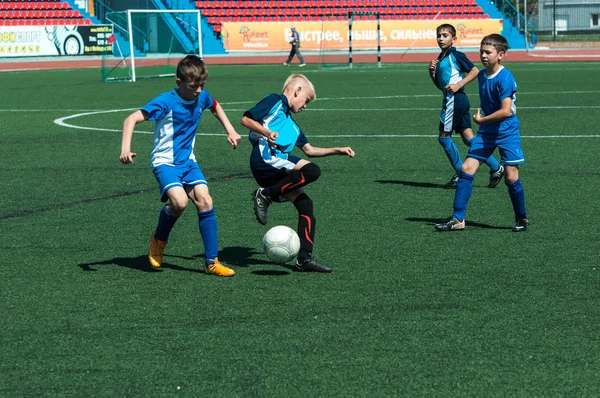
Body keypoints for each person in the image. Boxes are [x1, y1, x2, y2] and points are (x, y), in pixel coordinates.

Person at [120, 55, 242, 276]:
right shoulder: (166, 102)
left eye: (202, 85)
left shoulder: (202, 96)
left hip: (188, 161)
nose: (198, 91)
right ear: (179, 82)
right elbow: (130, 119)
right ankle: (159, 239)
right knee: (179, 202)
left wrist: (230, 130)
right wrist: (125, 149)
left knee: (205, 199)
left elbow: (215, 106)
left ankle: (212, 262)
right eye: (193, 86)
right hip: (164, 162)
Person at [241, 74, 355, 272]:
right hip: (265, 159)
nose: (305, 106)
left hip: (279, 165)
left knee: (306, 205)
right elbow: (245, 119)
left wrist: (337, 150)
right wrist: (267, 133)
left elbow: (309, 150)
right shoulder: (275, 101)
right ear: (297, 91)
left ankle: (304, 259)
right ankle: (265, 194)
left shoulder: (292, 126)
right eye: (306, 100)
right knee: (312, 170)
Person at [435, 34, 528, 232]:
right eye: (481, 52)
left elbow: (504, 111)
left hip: (507, 131)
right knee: (466, 169)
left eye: (488, 52)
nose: (483, 56)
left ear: (501, 55)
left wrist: (481, 120)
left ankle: (521, 218)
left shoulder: (505, 77)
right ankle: (458, 219)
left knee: (511, 178)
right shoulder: (483, 75)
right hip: (487, 131)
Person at [428, 23, 504, 189]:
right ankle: (496, 168)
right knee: (468, 138)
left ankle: (460, 175)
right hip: (456, 100)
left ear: (453, 39)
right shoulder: (441, 58)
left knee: (444, 138)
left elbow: (475, 71)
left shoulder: (456, 55)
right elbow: (441, 86)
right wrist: (432, 73)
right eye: (439, 35)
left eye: (445, 35)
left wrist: (458, 84)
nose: (441, 38)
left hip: (454, 101)